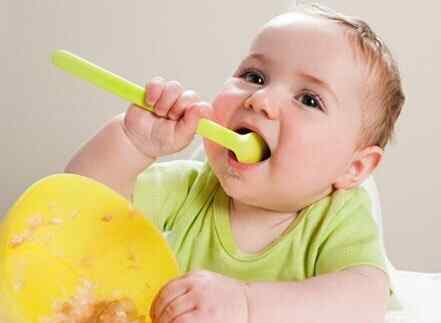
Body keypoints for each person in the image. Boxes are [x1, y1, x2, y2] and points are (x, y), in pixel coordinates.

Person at [65, 3, 405, 322]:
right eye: (255, 76)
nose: (261, 100)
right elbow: (79, 210)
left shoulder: (337, 216)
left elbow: (365, 298)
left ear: (353, 168)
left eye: (309, 99)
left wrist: (246, 304)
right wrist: (132, 142)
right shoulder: (190, 188)